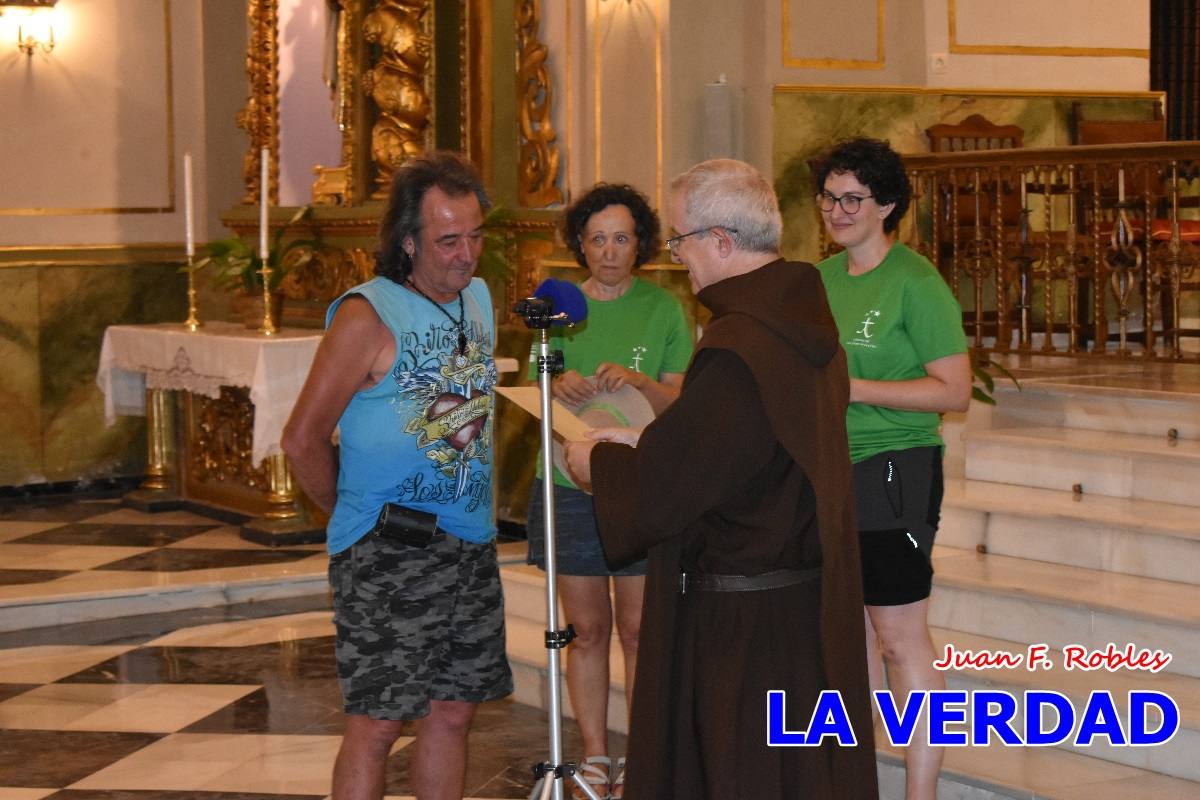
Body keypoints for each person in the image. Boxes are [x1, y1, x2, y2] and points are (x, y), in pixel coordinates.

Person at [564, 159, 878, 800]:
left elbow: (673, 488)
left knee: (744, 776)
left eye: (680, 241)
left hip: (742, 628)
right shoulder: (807, 326)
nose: (679, 258)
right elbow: (740, 453)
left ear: (723, 242)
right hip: (798, 606)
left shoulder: (740, 345)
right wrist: (650, 443)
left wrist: (596, 465)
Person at [281, 151, 512, 800]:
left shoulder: (479, 299)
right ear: (408, 242)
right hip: (388, 550)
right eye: (447, 240)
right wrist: (355, 525)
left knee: (453, 712)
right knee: (378, 722)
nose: (466, 255)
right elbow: (301, 440)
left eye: (475, 236)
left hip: (469, 540)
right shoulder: (367, 314)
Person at [813, 137, 971, 800]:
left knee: (900, 639)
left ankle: (921, 791)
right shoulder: (818, 282)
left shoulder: (915, 280)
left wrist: (860, 389)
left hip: (897, 467)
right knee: (849, 638)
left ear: (887, 205)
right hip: (830, 471)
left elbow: (954, 391)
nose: (838, 210)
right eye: (829, 197)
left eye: (853, 198)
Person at [525, 182, 692, 800]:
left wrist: (641, 381)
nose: (610, 250)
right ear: (580, 246)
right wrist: (558, 379)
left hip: (641, 486)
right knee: (587, 630)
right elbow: (530, 391)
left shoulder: (665, 307)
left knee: (640, 628)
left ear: (640, 244)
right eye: (597, 239)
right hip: (567, 484)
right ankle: (594, 754)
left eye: (622, 238)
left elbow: (682, 404)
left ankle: (643, 752)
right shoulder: (556, 306)